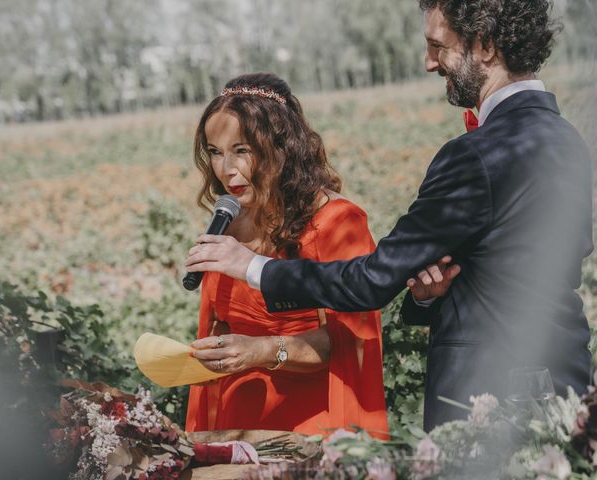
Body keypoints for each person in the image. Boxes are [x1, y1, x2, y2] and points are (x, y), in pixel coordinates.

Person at [185, 0, 594, 432]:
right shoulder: (565, 139)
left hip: (492, 394)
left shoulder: (475, 154)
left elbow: (371, 281)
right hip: (564, 377)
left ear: (486, 45)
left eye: (438, 46)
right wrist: (429, 297)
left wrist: (249, 266)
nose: (429, 62)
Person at [185, 72, 423, 438]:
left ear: (281, 147)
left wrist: (262, 350)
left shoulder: (336, 222)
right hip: (237, 424)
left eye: (241, 151)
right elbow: (220, 322)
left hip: (311, 427)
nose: (225, 169)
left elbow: (346, 342)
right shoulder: (228, 222)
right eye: (215, 152)